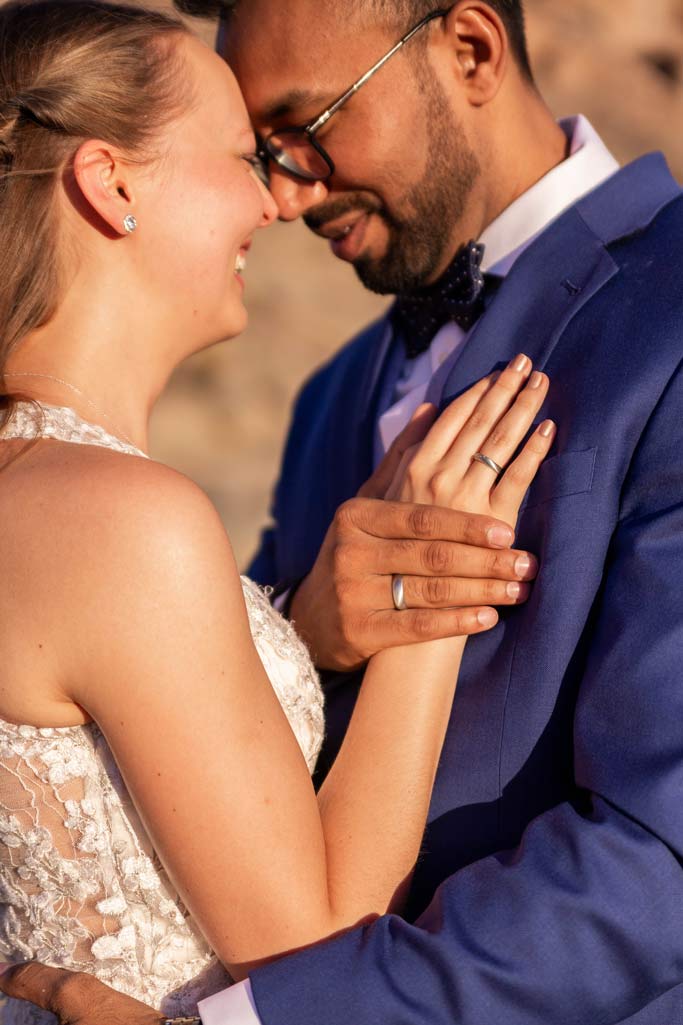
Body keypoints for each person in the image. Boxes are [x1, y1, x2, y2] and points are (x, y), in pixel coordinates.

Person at [3, 0, 683, 1023]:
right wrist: (312, 628)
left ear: (467, 51)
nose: (283, 189)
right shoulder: (333, 394)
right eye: (255, 150)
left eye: (304, 126)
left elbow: (661, 846)